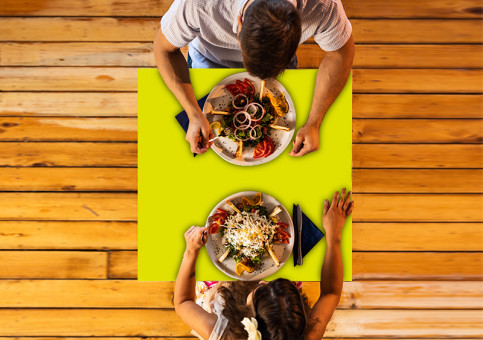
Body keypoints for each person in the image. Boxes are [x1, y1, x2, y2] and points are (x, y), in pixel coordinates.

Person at [154, 0, 355, 156]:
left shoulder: (323, 6)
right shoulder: (197, 5)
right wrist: (193, 113)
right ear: (239, 23)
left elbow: (341, 54)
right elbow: (163, 49)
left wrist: (314, 123)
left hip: (281, 69)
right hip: (209, 60)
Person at [174, 188, 354, 339]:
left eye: (262, 289)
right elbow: (331, 293)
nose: (264, 281)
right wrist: (334, 235)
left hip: (222, 292)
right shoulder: (306, 335)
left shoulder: (224, 334)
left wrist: (191, 252)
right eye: (274, 283)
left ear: (249, 319)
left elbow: (183, 302)